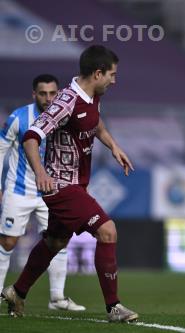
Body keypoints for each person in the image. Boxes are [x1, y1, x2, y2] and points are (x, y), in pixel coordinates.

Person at [1, 45, 138, 323]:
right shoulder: (66, 101)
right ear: (97, 74)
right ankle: (114, 307)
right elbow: (31, 136)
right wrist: (40, 172)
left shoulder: (93, 96)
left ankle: (17, 291)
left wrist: (114, 146)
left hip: (78, 183)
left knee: (55, 241)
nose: (114, 80)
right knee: (107, 231)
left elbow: (95, 124)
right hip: (61, 186)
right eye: (112, 74)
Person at [0, 74, 85, 312]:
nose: (48, 98)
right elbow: (1, 150)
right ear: (34, 94)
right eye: (42, 93)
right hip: (20, 189)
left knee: (58, 241)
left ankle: (57, 299)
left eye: (52, 93)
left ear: (58, 94)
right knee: (7, 242)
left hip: (52, 193)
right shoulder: (19, 117)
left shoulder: (64, 116)